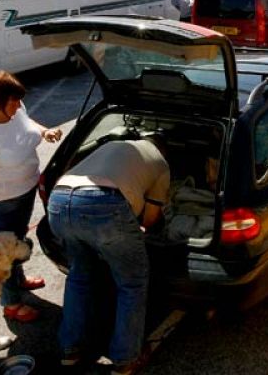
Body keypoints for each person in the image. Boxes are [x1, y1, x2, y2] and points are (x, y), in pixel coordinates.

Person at [48, 134, 170, 373]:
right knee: (131, 284)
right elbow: (151, 219)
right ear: (162, 151)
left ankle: (70, 349)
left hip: (59, 201)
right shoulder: (161, 164)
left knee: (79, 276)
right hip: (103, 206)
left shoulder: (115, 145)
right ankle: (125, 359)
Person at [0, 70, 63, 322]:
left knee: (17, 240)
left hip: (24, 191)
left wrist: (44, 132)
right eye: (14, 102)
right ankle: (11, 303)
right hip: (0, 202)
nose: (19, 106)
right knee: (4, 252)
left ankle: (18, 280)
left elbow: (26, 122)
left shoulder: (14, 108)